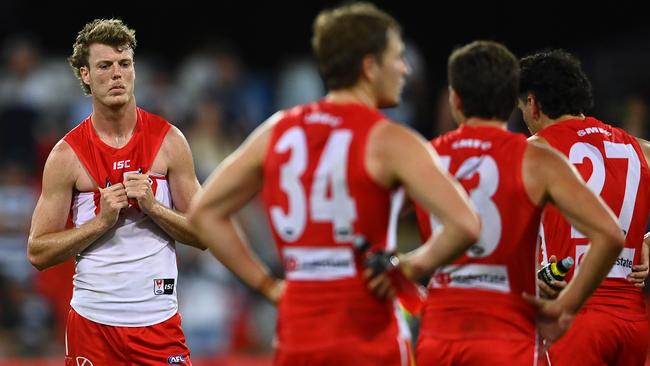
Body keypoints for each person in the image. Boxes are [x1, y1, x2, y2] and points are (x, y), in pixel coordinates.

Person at [187, 3, 481, 365]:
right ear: (370, 66)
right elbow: (466, 223)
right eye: (398, 56)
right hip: (368, 333)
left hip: (297, 336)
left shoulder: (277, 130)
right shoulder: (390, 140)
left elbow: (205, 212)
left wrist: (267, 285)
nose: (404, 68)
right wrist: (411, 267)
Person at [411, 41, 625, 365]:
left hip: (440, 335)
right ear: (514, 103)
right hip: (507, 335)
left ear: (455, 100)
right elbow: (610, 234)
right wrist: (564, 306)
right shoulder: (536, 159)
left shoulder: (423, 157)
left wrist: (402, 269)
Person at [27, 19, 204, 365]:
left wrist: (153, 207)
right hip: (92, 325)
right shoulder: (66, 155)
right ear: (85, 75)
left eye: (124, 64)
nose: (117, 74)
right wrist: (100, 222)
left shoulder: (169, 141)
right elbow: (37, 252)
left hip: (158, 322)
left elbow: (205, 234)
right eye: (104, 66)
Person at [518, 49, 650, 366]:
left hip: (572, 318)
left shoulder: (532, 152)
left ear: (533, 103)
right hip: (633, 321)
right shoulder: (639, 147)